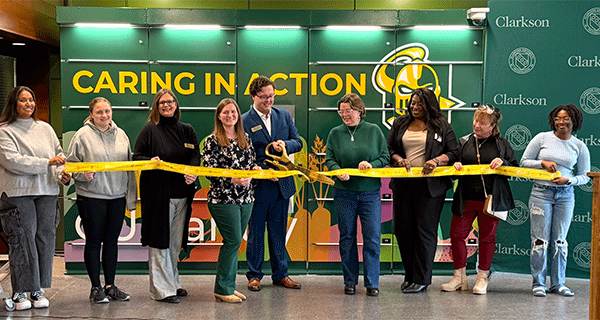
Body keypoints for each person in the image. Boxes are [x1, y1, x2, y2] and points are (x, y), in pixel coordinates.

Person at [0, 86, 71, 310]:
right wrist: (46, 163)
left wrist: (62, 174)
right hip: (18, 193)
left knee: (45, 238)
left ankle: (38, 289)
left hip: (47, 191)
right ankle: (20, 291)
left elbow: (59, 156)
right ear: (14, 103)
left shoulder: (46, 128)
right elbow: (12, 160)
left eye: (31, 100)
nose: (28, 104)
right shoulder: (4, 130)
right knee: (22, 240)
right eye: (23, 100)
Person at [387, 87, 458, 293]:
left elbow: (453, 153)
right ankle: (410, 275)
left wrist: (437, 161)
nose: (414, 106)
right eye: (412, 102)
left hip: (430, 188)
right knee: (403, 231)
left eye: (419, 103)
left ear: (429, 104)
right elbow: (389, 148)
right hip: (403, 185)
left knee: (425, 233)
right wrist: (399, 160)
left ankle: (423, 279)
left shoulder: (441, 126)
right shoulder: (400, 123)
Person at [441, 104, 517, 295]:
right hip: (466, 199)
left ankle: (482, 278)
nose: (477, 125)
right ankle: (459, 278)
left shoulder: (502, 144)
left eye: (482, 123)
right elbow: (452, 168)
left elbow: (513, 169)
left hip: (490, 202)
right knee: (457, 235)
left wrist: (503, 163)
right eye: (476, 121)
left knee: (487, 238)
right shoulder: (464, 141)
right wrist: (454, 164)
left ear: (492, 126)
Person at [66, 97, 136, 303]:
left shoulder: (121, 134)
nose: (104, 116)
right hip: (91, 197)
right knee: (94, 241)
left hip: (116, 197)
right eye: (99, 112)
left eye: (107, 111)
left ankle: (110, 286)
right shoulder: (81, 136)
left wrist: (129, 198)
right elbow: (70, 165)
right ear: (92, 114)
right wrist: (82, 174)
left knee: (112, 243)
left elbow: (130, 168)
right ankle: (95, 288)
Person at [133, 88, 200, 303]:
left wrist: (192, 171)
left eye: (170, 102)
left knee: (174, 243)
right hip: (158, 197)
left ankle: (172, 281)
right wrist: (150, 161)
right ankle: (162, 290)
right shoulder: (149, 130)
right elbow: (137, 157)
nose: (166, 105)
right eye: (162, 102)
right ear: (156, 106)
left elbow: (195, 155)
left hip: (182, 195)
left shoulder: (187, 130)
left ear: (176, 105)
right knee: (160, 242)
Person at [520, 104, 590, 297]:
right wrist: (542, 163)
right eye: (558, 118)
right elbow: (524, 162)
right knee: (540, 241)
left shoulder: (579, 146)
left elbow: (585, 176)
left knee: (560, 241)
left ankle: (558, 283)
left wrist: (570, 180)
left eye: (566, 118)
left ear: (574, 121)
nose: (561, 122)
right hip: (541, 192)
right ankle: (538, 283)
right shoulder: (542, 138)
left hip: (566, 195)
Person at [325, 93, 389, 297]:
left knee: (372, 237)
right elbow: (329, 158)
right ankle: (350, 281)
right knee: (347, 237)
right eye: (341, 111)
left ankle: (372, 283)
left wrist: (372, 165)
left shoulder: (374, 131)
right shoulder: (335, 133)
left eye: (348, 111)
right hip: (344, 194)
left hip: (370, 193)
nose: (345, 115)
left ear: (360, 111)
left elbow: (384, 156)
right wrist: (337, 170)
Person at [242, 76, 302, 291]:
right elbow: (242, 153)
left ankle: (281, 275)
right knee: (256, 233)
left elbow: (298, 142)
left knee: (278, 233)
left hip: (281, 186)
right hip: (258, 186)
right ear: (253, 96)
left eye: (272, 96)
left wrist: (284, 144)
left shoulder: (283, 116)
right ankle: (254, 276)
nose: (269, 100)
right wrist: (260, 171)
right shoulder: (244, 120)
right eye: (264, 97)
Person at [203, 98, 260, 303]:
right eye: (226, 112)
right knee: (233, 241)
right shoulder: (213, 140)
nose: (230, 116)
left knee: (234, 244)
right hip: (223, 199)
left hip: (246, 198)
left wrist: (255, 172)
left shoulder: (245, 137)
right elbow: (209, 170)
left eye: (233, 112)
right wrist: (232, 178)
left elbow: (252, 162)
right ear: (219, 116)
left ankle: (229, 286)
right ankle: (223, 289)